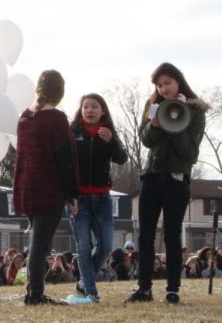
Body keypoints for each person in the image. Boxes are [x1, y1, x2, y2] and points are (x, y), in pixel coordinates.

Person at [127, 63, 208, 306]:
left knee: (172, 236)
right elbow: (147, 141)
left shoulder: (195, 111)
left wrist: (176, 121)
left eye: (167, 83)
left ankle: (173, 289)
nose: (163, 89)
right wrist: (156, 122)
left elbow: (189, 152)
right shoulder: (153, 106)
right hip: (152, 178)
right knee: (145, 237)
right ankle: (144, 288)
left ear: (178, 81)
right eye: (159, 85)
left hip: (176, 180)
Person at [13, 69, 79, 306]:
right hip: (49, 189)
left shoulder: (25, 118)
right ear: (60, 92)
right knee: (40, 246)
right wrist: (72, 193)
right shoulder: (57, 119)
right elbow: (64, 159)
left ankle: (33, 291)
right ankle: (35, 294)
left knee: (36, 244)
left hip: (28, 187)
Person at [68, 93, 127, 302]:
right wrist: (70, 196)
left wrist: (111, 142)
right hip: (78, 199)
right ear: (81, 110)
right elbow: (65, 165)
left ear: (103, 111)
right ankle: (91, 292)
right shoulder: (72, 132)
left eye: (94, 106)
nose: (90, 110)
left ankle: (84, 281)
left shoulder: (108, 133)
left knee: (105, 246)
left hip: (102, 199)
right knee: (84, 246)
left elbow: (122, 158)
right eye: (86, 106)